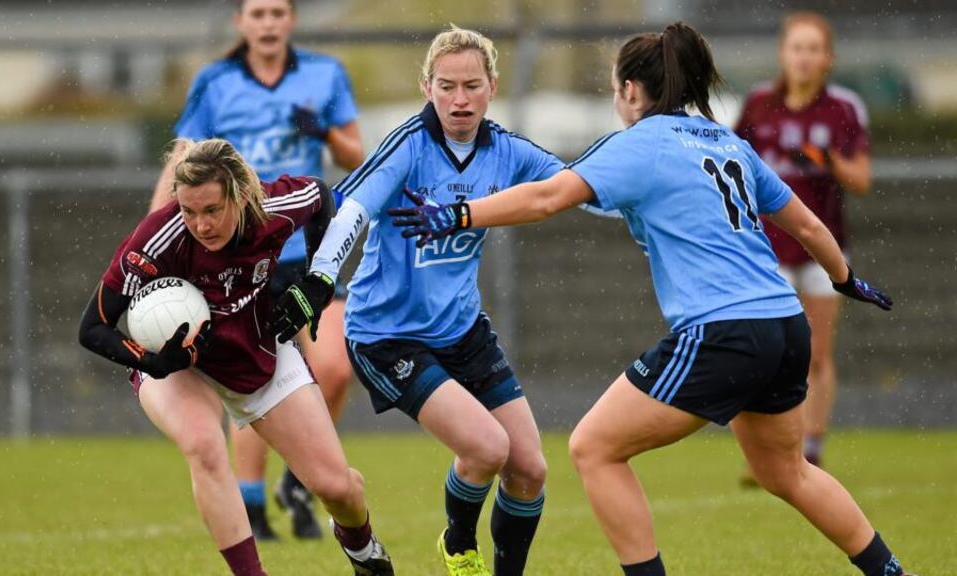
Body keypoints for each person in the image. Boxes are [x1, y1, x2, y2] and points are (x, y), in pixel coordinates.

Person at [390, 21, 912, 576]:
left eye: (616, 89)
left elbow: (547, 198)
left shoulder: (642, 143)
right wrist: (843, 278)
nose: (616, 100)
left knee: (593, 448)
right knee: (788, 473)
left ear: (632, 92)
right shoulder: (727, 141)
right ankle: (888, 570)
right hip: (784, 324)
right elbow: (807, 225)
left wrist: (458, 213)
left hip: (724, 331)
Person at [269, 25, 559, 576]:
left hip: (463, 330)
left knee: (530, 469)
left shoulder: (506, 151)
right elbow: (353, 208)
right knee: (486, 450)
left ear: (492, 86)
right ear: (427, 86)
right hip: (387, 337)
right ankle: (458, 543)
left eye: (472, 85)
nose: (459, 99)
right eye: (447, 86)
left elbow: (574, 185)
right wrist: (320, 278)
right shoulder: (409, 146)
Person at [80, 139, 393, 576]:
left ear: (242, 196)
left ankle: (362, 550)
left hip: (255, 346)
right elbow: (92, 328)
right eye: (189, 211)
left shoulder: (275, 205)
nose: (200, 225)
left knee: (337, 487)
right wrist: (150, 361)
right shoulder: (156, 239)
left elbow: (323, 197)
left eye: (212, 210)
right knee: (204, 444)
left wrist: (315, 282)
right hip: (179, 365)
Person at [149, 0, 364, 540]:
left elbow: (354, 156)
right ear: (240, 23)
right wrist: (152, 236)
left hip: (306, 253)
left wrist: (322, 132)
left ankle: (296, 479)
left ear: (291, 20)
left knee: (335, 367)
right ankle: (251, 503)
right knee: (255, 374)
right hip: (238, 259)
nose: (268, 23)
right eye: (257, 13)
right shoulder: (216, 82)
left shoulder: (323, 74)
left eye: (277, 12)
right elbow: (182, 159)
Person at [736, 11, 872, 469]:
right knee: (769, 352)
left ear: (828, 58)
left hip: (822, 248)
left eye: (814, 49)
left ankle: (810, 448)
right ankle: (776, 446)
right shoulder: (758, 104)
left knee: (815, 353)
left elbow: (861, 178)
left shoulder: (842, 109)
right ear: (783, 53)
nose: (805, 58)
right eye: (797, 47)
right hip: (767, 250)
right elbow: (734, 166)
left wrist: (825, 159)